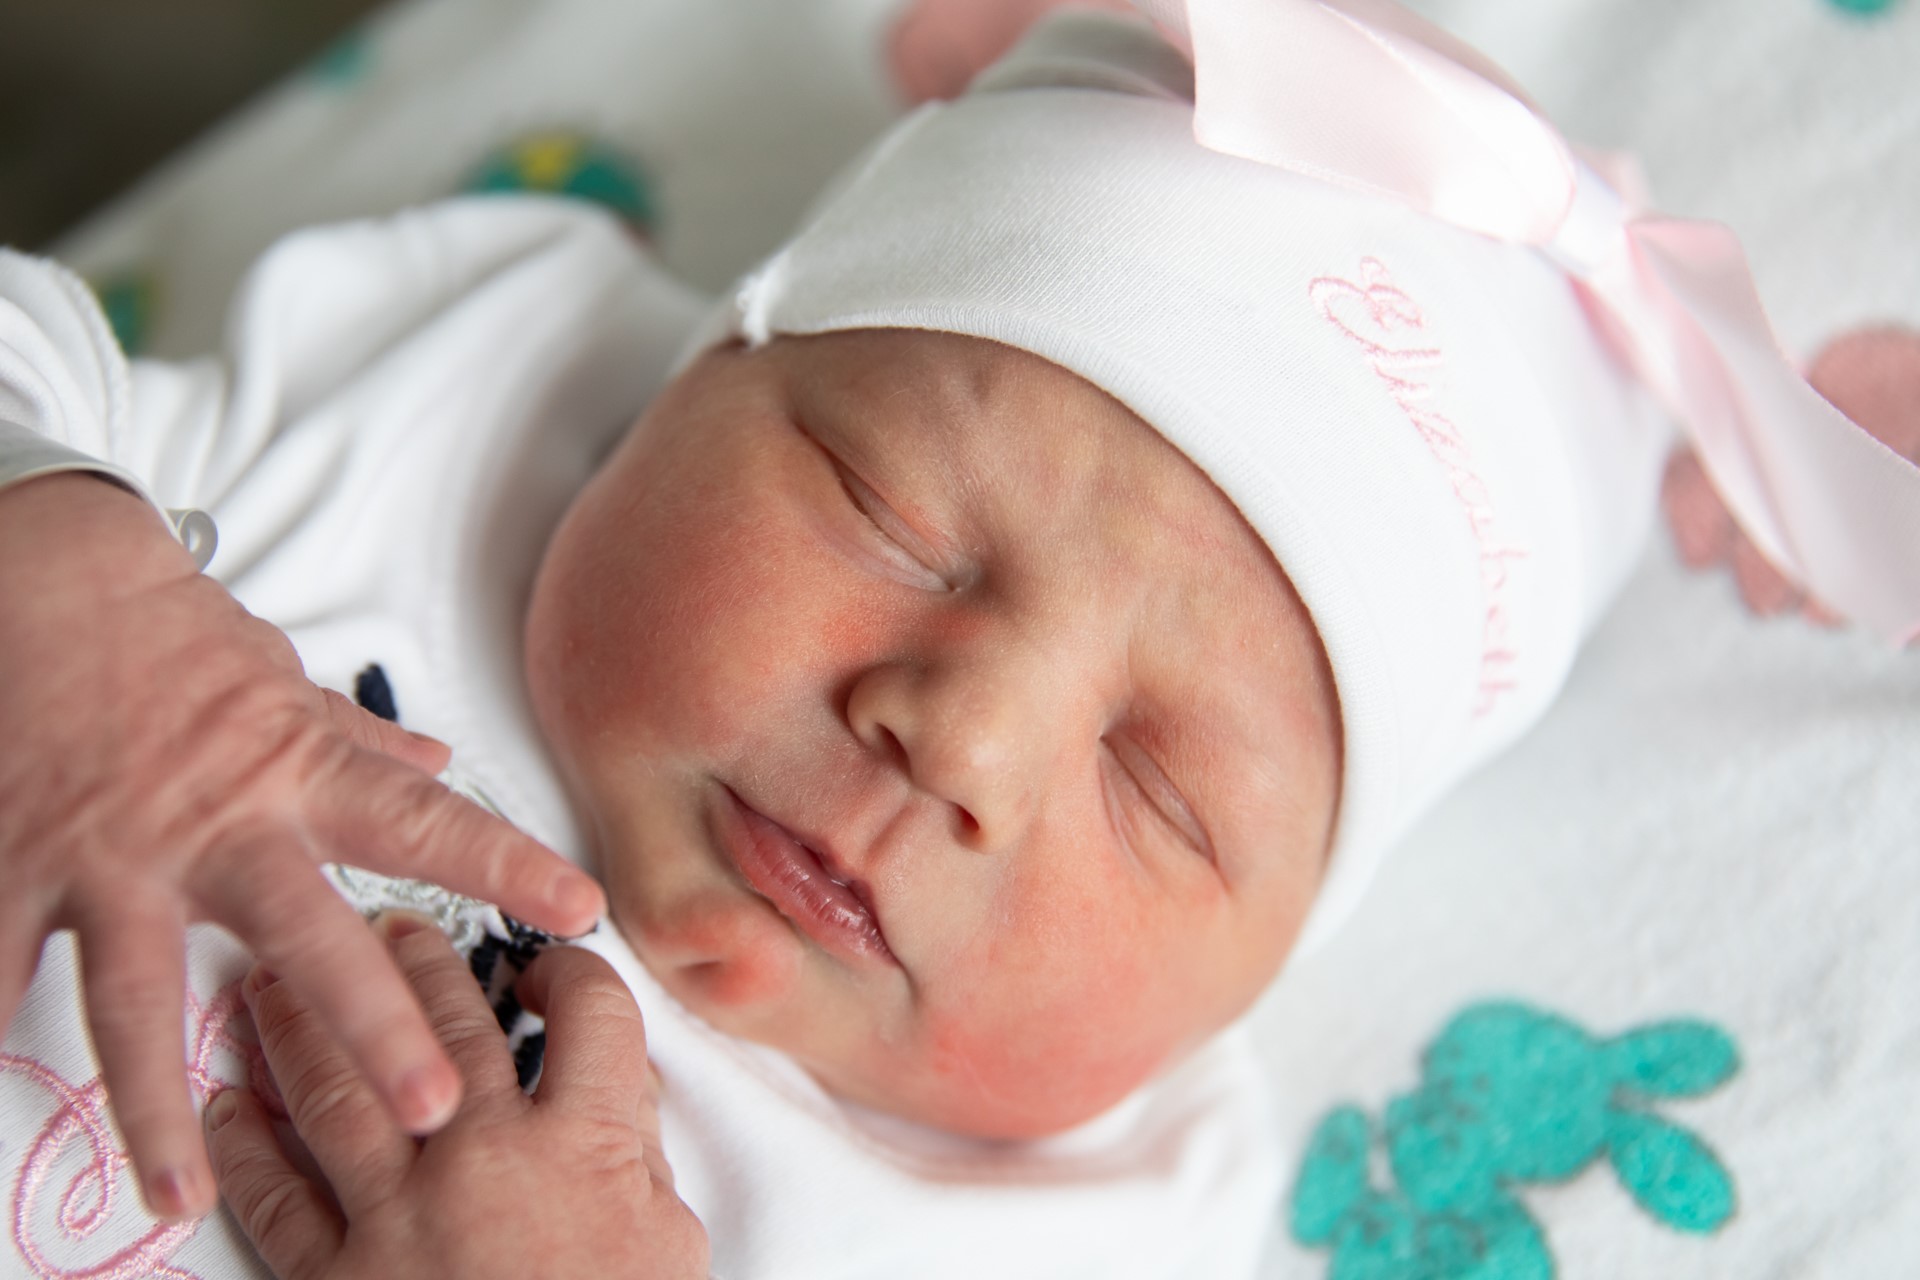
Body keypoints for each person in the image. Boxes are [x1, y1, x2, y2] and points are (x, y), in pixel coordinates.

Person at [3, 2, 1916, 1277]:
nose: (965, 738)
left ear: (1262, 968)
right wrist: (59, 578)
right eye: (890, 514)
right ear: (691, 377)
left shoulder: (1084, 1228)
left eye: (1161, 791)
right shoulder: (449, 411)